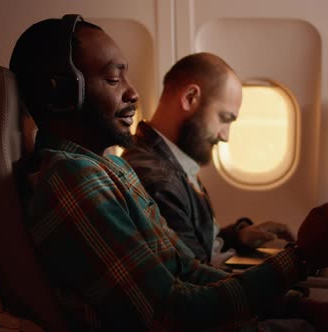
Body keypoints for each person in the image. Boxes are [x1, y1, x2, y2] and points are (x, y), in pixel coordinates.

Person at [10, 14, 328, 331]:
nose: (133, 93)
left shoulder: (110, 166)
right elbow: (169, 315)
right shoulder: (71, 181)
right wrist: (301, 258)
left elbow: (188, 271)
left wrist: (304, 308)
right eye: (112, 79)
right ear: (61, 94)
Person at [122, 53, 293, 266]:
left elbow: (195, 243)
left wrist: (238, 236)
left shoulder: (173, 159)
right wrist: (294, 264)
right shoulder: (157, 180)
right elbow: (197, 279)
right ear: (189, 98)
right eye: (224, 118)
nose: (225, 136)